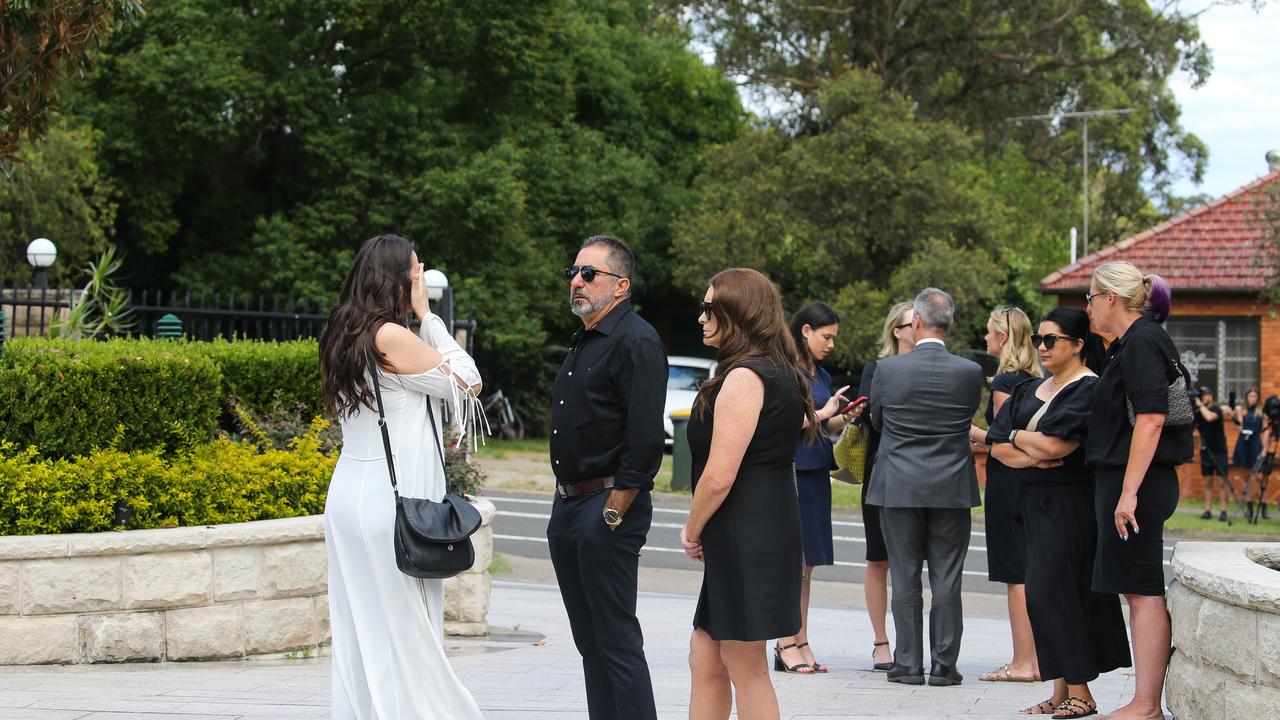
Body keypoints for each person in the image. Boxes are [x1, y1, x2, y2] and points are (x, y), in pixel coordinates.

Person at [320, 234, 485, 719]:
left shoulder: (341, 332)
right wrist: (430, 315)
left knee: (362, 628)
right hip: (390, 505)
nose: (421, 281)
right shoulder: (390, 336)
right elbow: (468, 381)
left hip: (352, 494)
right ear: (397, 280)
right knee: (407, 630)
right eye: (416, 273)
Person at [679, 268, 815, 720]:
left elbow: (720, 474)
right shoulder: (780, 372)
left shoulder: (744, 377)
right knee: (707, 654)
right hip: (757, 527)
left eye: (708, 307)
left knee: (744, 663)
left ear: (736, 313)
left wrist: (692, 528)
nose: (700, 317)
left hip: (744, 531)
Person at [988, 307, 1132, 718]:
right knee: (1041, 597)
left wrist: (1019, 438)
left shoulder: (1088, 389)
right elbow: (997, 447)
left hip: (1070, 502)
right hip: (1030, 499)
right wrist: (1028, 451)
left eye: (1052, 340)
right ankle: (1059, 690)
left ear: (1079, 345)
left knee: (1055, 593)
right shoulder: (1031, 388)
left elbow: (1059, 447)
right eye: (1039, 340)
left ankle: (1082, 692)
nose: (1043, 347)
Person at [547, 235, 666, 720]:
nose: (577, 281)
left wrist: (615, 507)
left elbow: (644, 438)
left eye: (589, 274)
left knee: (615, 640)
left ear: (620, 286)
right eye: (573, 273)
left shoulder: (636, 339)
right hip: (569, 507)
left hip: (607, 506)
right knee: (589, 641)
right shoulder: (586, 339)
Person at [1085, 261, 1188, 720]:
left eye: (1089, 297)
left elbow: (1151, 417)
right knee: (1135, 589)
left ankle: (1146, 705)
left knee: (1143, 589)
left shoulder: (1143, 340)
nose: (1086, 307)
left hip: (1138, 485)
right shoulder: (1128, 343)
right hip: (1128, 481)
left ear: (1110, 298)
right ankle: (1143, 701)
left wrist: (1128, 493)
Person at [866, 287, 983, 687]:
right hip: (951, 484)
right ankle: (944, 665)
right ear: (948, 323)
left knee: (904, 574)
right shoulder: (969, 373)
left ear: (915, 321)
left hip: (898, 483)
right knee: (948, 577)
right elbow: (966, 418)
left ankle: (908, 663)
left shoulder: (889, 371)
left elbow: (878, 421)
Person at [775, 302, 853, 674]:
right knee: (790, 561)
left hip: (817, 469)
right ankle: (784, 640)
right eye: (827, 336)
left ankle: (801, 636)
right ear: (805, 330)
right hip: (793, 471)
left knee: (808, 564)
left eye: (835, 338)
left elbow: (820, 427)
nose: (832, 344)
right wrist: (824, 414)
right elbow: (788, 422)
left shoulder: (819, 374)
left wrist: (842, 417)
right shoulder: (786, 369)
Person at [969, 306, 1042, 684]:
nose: (985, 339)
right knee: (1031, 570)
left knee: (1016, 575)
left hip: (1007, 479)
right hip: (1032, 481)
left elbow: (1001, 435)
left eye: (988, 333)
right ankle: (1036, 657)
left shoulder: (1004, 383)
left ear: (1001, 337)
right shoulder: (1035, 379)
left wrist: (971, 432)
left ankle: (1023, 661)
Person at [853, 301, 915, 672]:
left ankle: (910, 641)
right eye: (911, 324)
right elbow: (869, 416)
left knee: (911, 563)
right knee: (878, 560)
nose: (918, 328)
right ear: (896, 330)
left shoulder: (930, 367)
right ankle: (881, 641)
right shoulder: (875, 369)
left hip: (917, 478)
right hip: (881, 473)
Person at [1193, 387, 1231, 521]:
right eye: (1203, 395)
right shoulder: (1198, 413)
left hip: (1220, 451)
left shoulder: (1216, 409)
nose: (1206, 397)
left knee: (1222, 481)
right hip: (1206, 451)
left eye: (1208, 394)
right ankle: (1207, 510)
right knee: (1208, 481)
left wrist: (1200, 404)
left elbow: (1210, 417)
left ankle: (1223, 510)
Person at [1231, 389, 1268, 520]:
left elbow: (1265, 429)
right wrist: (1235, 415)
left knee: (1259, 476)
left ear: (1257, 398)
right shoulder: (1243, 411)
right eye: (1250, 396)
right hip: (1244, 442)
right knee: (1246, 476)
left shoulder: (1261, 412)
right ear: (1247, 398)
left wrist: (1265, 448)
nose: (1252, 398)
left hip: (1255, 443)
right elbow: (1239, 428)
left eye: (1254, 396)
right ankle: (1249, 506)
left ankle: (1264, 505)